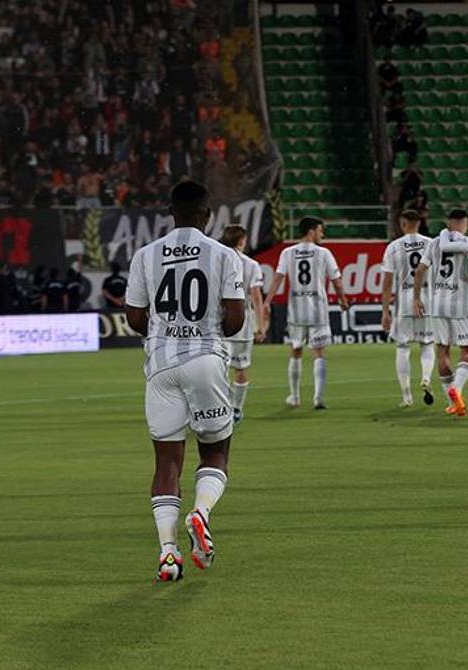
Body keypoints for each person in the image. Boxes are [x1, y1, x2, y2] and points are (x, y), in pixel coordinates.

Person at [124, 180, 245, 582]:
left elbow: (135, 319)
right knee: (215, 451)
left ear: (170, 212)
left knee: (166, 461)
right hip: (206, 359)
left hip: (160, 365)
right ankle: (202, 512)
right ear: (208, 215)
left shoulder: (145, 255)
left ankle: (168, 553)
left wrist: (165, 330)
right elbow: (235, 320)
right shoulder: (224, 255)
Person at [264, 217, 348, 410]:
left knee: (296, 351)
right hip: (318, 309)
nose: (322, 234)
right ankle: (318, 398)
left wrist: (267, 301)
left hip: (296, 311)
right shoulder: (324, 253)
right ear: (311, 231)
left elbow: (278, 278)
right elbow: (336, 280)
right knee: (318, 353)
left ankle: (294, 397)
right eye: (320, 231)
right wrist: (342, 300)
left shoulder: (288, 252)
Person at [413, 209, 468, 416]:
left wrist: (416, 298)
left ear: (449, 223)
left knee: (442, 351)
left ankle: (453, 403)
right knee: (467, 352)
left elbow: (419, 271)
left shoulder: (434, 243)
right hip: (460, 305)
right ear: (465, 223)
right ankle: (457, 389)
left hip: (437, 304)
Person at [381, 210, 436, 408]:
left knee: (402, 347)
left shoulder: (394, 247)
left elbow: (387, 283)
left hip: (404, 300)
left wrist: (385, 311)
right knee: (427, 344)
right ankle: (426, 378)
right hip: (427, 299)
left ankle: (406, 396)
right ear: (419, 223)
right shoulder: (431, 243)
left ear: (403, 223)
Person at [220, 226, 267, 425]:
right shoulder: (251, 264)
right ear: (242, 241)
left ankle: (218, 409)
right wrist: (261, 325)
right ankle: (236, 409)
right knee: (240, 368)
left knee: (217, 369)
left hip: (217, 323)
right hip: (241, 323)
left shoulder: (216, 260)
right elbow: (256, 297)